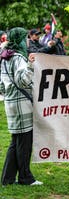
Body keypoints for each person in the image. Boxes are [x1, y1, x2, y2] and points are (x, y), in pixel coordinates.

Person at [0, 27, 42, 186]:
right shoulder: (17, 58)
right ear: (19, 39)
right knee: (24, 142)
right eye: (25, 38)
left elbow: (1, 86)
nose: (27, 41)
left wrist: (8, 94)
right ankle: (25, 177)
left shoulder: (4, 57)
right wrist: (31, 66)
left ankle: (7, 178)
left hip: (10, 103)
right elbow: (22, 81)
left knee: (15, 141)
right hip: (21, 105)